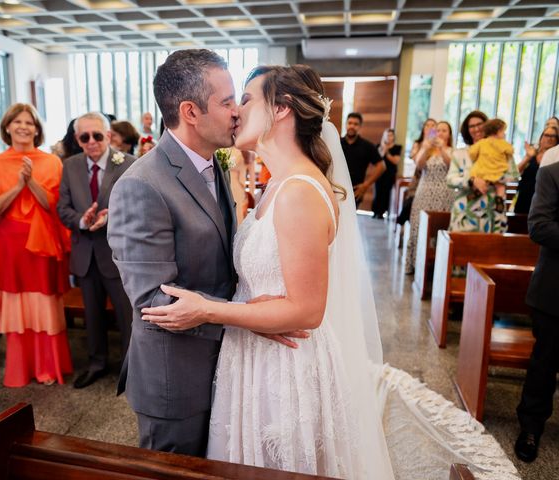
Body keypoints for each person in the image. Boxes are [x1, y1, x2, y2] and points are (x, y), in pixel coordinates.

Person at [141, 65, 519, 479]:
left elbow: (306, 311)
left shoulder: (299, 192)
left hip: (284, 364)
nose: (235, 111)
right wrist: (252, 307)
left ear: (281, 109)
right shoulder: (277, 186)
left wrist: (211, 311)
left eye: (245, 99)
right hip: (257, 351)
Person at [107, 49, 240, 457]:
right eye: (227, 101)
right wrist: (249, 319)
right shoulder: (142, 185)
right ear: (190, 111)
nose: (238, 112)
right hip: (176, 380)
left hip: (221, 365)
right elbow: (154, 300)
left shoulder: (213, 164)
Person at [0, 103, 72, 387]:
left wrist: (31, 180)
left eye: (29, 123)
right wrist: (18, 184)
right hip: (12, 242)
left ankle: (47, 367)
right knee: (16, 305)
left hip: (43, 243)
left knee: (44, 304)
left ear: (37, 129)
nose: (23, 127)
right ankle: (20, 369)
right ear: (7, 127)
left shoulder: (51, 162)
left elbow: (53, 205)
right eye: (17, 122)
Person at [57, 112, 134, 389]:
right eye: (84, 137)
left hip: (116, 255)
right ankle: (97, 363)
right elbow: (62, 208)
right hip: (85, 254)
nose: (91, 142)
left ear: (109, 136)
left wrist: (110, 216)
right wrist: (81, 220)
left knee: (126, 316)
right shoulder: (70, 166)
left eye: (97, 135)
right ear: (77, 140)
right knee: (93, 316)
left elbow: (137, 206)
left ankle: (130, 370)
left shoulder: (128, 164)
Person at [515, 160, 559, 463]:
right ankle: (530, 428)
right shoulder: (552, 172)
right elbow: (539, 226)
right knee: (544, 363)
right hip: (555, 290)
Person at [447, 111, 518, 233]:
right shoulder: (460, 154)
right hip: (466, 211)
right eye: (472, 126)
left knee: (491, 249)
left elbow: (513, 175)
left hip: (493, 209)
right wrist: (472, 180)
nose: (476, 129)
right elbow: (450, 179)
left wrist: (492, 179)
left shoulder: (502, 150)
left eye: (480, 124)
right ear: (467, 130)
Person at [405, 121, 455, 274]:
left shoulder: (452, 151)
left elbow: (452, 166)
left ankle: (436, 269)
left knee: (440, 228)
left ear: (449, 134)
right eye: (437, 130)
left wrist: (441, 148)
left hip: (445, 195)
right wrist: (427, 147)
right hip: (424, 193)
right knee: (420, 226)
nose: (440, 133)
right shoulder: (427, 149)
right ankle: (415, 264)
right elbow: (419, 165)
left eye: (444, 130)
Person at [467, 118, 514, 213]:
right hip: (497, 170)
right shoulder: (503, 144)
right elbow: (510, 151)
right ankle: (499, 199)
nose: (504, 134)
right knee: (500, 187)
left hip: (482, 170)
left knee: (483, 183)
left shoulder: (482, 142)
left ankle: (477, 192)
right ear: (498, 131)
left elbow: (472, 152)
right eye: (503, 131)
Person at [340, 112, 385, 205]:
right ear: (346, 124)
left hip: (355, 191)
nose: (352, 126)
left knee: (350, 219)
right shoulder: (337, 143)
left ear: (360, 126)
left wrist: (366, 185)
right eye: (350, 123)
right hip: (337, 188)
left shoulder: (367, 146)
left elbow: (382, 166)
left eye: (355, 124)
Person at [515, 126, 559, 215]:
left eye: (553, 136)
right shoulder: (532, 153)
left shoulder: (556, 157)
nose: (549, 139)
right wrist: (528, 157)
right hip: (524, 197)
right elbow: (516, 172)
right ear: (541, 137)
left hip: (545, 199)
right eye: (546, 135)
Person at [372, 128, 402, 219]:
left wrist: (387, 152)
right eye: (387, 135)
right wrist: (383, 150)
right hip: (379, 173)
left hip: (390, 174)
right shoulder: (378, 146)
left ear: (393, 137)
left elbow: (395, 161)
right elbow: (377, 159)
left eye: (391, 135)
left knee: (386, 193)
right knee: (377, 192)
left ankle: (382, 212)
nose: (389, 137)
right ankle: (375, 211)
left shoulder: (397, 147)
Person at [228, 147, 256, 223]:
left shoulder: (249, 154)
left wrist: (251, 198)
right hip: (224, 187)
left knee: (238, 216)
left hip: (237, 189)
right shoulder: (224, 150)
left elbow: (252, 179)